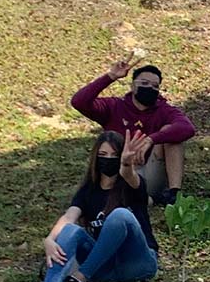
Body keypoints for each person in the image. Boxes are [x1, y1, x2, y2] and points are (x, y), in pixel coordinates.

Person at [34, 130, 158, 282]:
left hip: (137, 263)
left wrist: (126, 164)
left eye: (114, 155)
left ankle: (79, 278)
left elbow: (131, 177)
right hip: (104, 266)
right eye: (103, 154)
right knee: (70, 230)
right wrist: (49, 239)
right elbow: (70, 216)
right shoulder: (88, 191)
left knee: (120, 215)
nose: (108, 159)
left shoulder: (132, 186)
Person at [72, 59, 197, 206]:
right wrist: (110, 76)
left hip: (149, 169)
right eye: (144, 83)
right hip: (117, 171)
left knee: (171, 134)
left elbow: (187, 128)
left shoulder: (164, 110)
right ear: (132, 86)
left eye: (154, 86)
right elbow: (79, 102)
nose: (149, 88)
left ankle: (174, 193)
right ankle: (136, 199)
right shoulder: (113, 106)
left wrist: (151, 139)